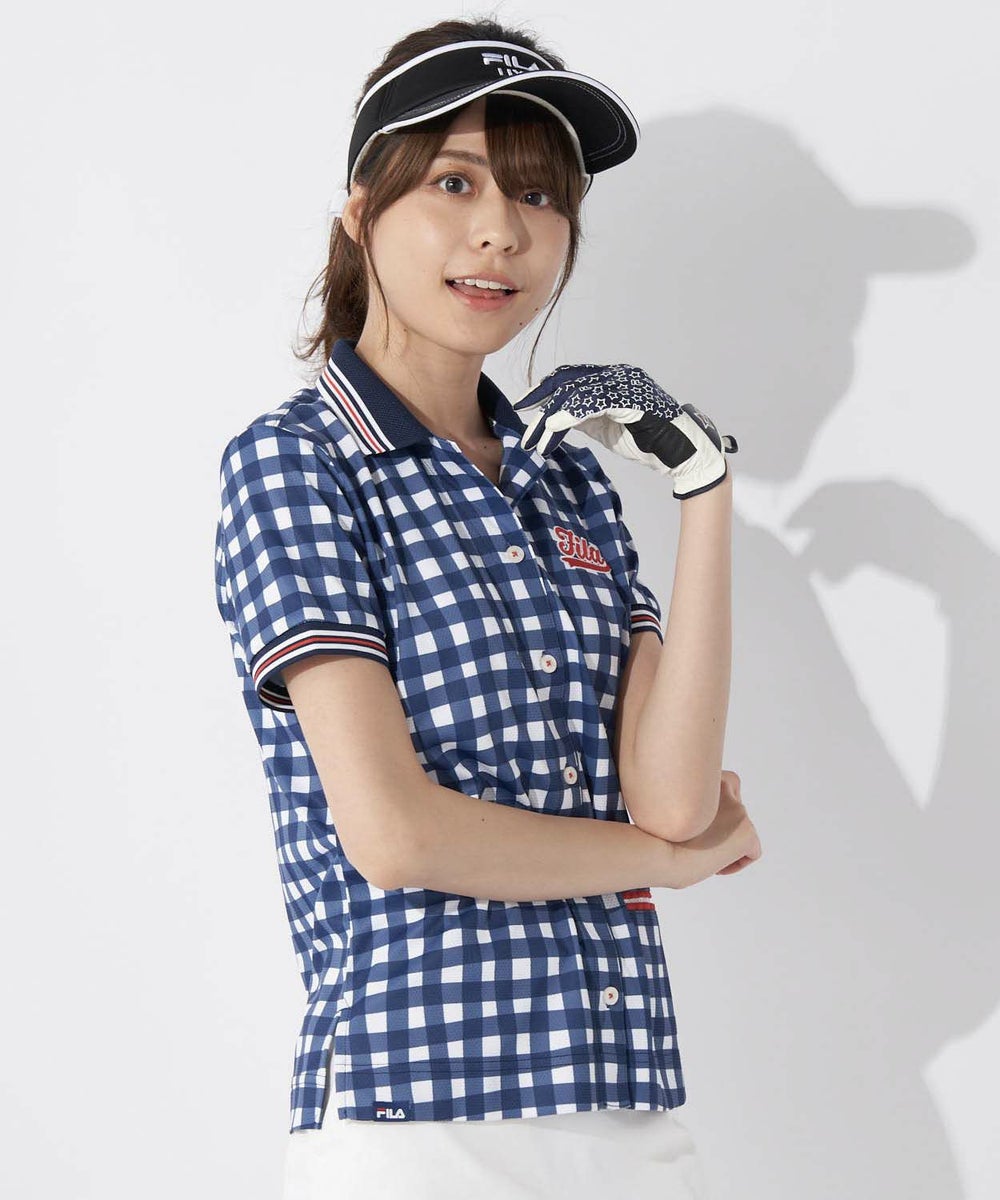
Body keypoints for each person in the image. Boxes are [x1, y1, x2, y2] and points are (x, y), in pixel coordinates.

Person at [213, 13, 759, 1200]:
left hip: (625, 1110)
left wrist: (705, 488)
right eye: (454, 182)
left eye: (537, 195)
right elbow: (396, 836)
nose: (501, 229)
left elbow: (672, 798)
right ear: (362, 209)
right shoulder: (299, 463)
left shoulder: (567, 482)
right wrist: (660, 865)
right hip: (420, 1120)